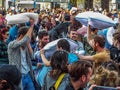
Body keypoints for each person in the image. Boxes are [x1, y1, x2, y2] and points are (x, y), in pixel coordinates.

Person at [8, 19, 35, 90]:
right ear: (22, 35)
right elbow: (25, 39)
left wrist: (28, 45)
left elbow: (32, 57)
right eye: (29, 36)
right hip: (19, 76)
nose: (30, 38)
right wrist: (31, 26)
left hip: (27, 74)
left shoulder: (25, 46)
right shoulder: (12, 45)